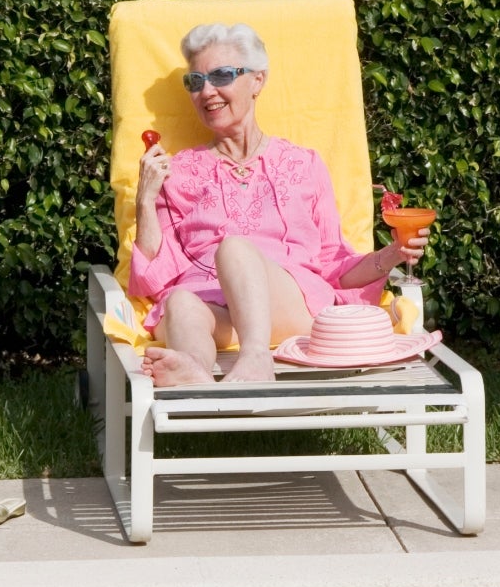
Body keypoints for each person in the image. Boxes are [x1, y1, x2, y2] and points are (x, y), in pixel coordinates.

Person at [130, 22, 430, 385]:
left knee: (235, 250)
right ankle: (193, 369)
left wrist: (395, 252)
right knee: (178, 302)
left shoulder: (304, 164)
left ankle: (257, 359)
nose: (206, 91)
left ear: (258, 80)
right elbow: (151, 279)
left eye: (221, 76)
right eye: (195, 81)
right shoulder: (176, 172)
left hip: (289, 307)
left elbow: (335, 264)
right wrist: (146, 198)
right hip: (210, 307)